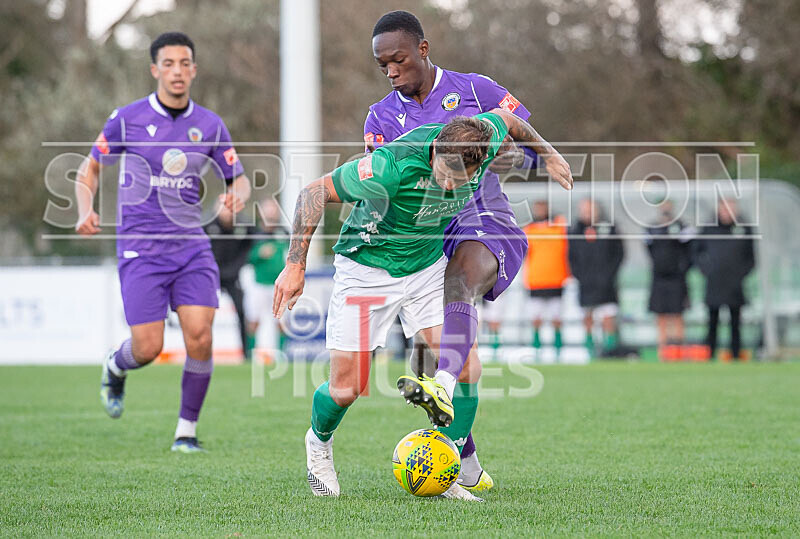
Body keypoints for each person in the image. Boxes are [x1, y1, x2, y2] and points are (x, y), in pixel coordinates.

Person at [272, 111, 572, 499]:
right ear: (434, 151)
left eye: (456, 179)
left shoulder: (485, 136)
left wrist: (546, 153)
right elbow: (313, 193)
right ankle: (319, 445)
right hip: (367, 267)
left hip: (426, 266)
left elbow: (507, 118)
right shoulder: (389, 165)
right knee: (348, 387)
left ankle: (447, 466)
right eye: (441, 172)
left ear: (479, 164)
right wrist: (295, 265)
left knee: (467, 367)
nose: (447, 183)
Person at [364, 10, 547, 491]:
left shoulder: (476, 89)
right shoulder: (381, 117)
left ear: (423, 49)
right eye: (383, 65)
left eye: (399, 59)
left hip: (481, 215)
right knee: (435, 356)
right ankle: (464, 460)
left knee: (461, 281)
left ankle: (443, 391)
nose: (392, 71)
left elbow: (523, 148)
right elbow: (379, 185)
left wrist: (506, 155)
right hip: (423, 233)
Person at [76, 32, 251, 452]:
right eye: (168, 63)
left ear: (193, 70)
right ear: (155, 69)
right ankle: (116, 367)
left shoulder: (210, 124)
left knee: (201, 335)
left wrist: (236, 198)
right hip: (141, 248)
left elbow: (238, 178)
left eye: (184, 63)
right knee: (148, 347)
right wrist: (85, 208)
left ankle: (185, 432)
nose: (177, 71)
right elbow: (89, 169)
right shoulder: (126, 118)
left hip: (191, 247)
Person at [693, 199, 755, 360]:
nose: (727, 211)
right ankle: (710, 354)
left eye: (730, 208)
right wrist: (706, 270)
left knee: (735, 323)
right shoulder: (708, 228)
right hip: (714, 283)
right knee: (712, 322)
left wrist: (740, 274)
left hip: (735, 284)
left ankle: (736, 355)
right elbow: (696, 252)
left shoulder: (744, 229)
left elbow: (751, 258)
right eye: (724, 208)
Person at [568, 199, 624, 357]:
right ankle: (590, 351)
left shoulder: (609, 229)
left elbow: (619, 254)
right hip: (586, 283)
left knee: (608, 316)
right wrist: (580, 275)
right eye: (585, 210)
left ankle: (610, 350)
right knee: (587, 316)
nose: (588, 213)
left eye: (591, 210)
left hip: (606, 283)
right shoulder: (575, 231)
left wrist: (609, 275)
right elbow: (571, 257)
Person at [205, 203, 254, 362]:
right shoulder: (207, 226)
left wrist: (239, 265)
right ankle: (203, 353)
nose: (227, 214)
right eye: (224, 209)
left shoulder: (244, 227)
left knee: (241, 311)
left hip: (233, 276)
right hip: (213, 276)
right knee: (204, 314)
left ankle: (246, 354)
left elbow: (254, 242)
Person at [522, 200, 570, 358]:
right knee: (536, 318)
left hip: (556, 279)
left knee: (557, 317)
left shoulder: (559, 226)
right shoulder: (528, 230)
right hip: (535, 280)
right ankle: (536, 348)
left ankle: (558, 349)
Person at [644, 201, 693, 349]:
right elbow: (649, 250)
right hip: (659, 277)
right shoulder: (652, 228)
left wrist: (682, 267)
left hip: (677, 278)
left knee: (677, 313)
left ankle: (677, 349)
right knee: (661, 315)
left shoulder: (683, 228)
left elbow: (690, 250)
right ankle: (663, 349)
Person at [245, 199, 288, 361]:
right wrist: (259, 254)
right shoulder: (254, 234)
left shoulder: (283, 233)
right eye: (268, 211)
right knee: (253, 321)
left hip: (280, 286)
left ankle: (282, 355)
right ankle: (249, 355)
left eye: (273, 211)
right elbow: (245, 257)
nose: (271, 215)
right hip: (258, 284)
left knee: (281, 322)